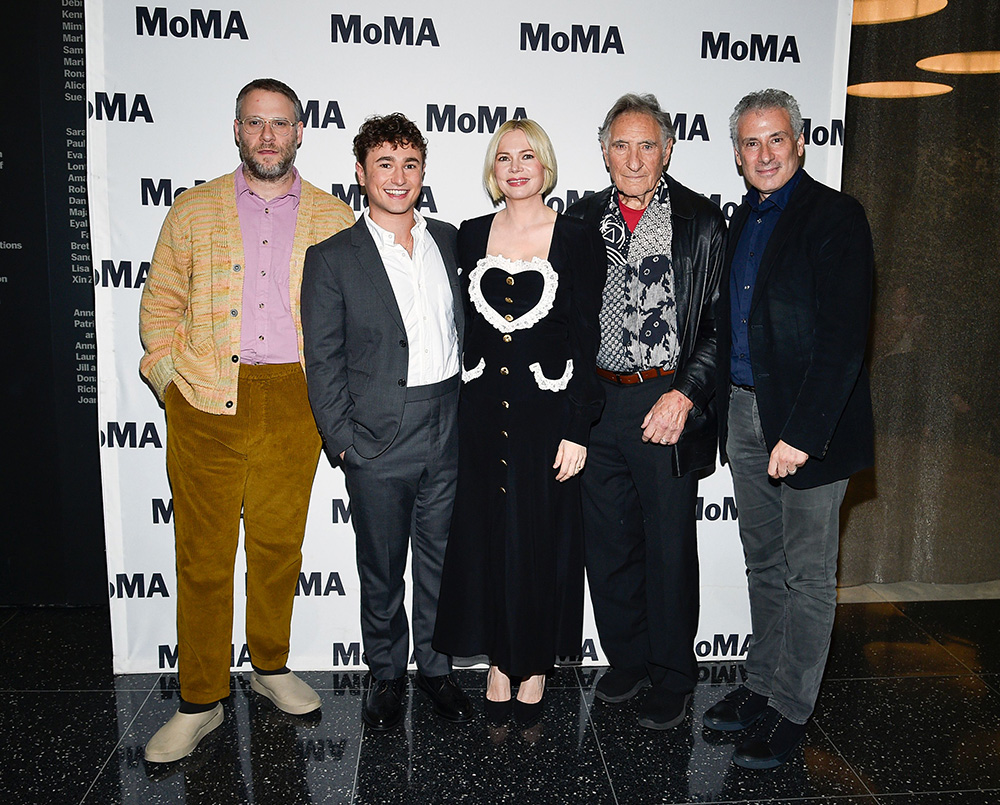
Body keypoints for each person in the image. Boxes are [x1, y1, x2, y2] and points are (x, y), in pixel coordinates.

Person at [139, 78, 354, 763]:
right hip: (204, 402)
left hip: (294, 402)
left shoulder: (334, 217)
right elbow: (158, 311)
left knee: (277, 550)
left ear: (300, 132)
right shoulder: (193, 208)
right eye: (255, 123)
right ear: (237, 130)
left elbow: (354, 323)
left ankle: (269, 665)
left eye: (281, 123)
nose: (268, 136)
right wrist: (175, 387)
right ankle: (200, 699)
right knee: (202, 558)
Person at [703, 88, 874, 769]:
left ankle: (791, 710)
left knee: (806, 573)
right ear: (738, 154)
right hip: (744, 412)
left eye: (777, 139)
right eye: (751, 142)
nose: (765, 153)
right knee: (763, 561)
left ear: (800, 143)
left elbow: (843, 339)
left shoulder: (835, 216)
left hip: (809, 421)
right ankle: (761, 685)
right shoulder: (741, 219)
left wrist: (801, 432)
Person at [301, 114, 473, 731]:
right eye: (384, 164)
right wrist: (343, 442)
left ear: (423, 172)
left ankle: (436, 668)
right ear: (360, 172)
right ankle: (384, 672)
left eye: (409, 164)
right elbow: (321, 360)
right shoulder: (331, 258)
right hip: (375, 439)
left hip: (448, 426)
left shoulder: (453, 242)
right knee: (380, 565)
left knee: (440, 559)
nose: (398, 178)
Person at [432, 120, 605, 726]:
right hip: (481, 416)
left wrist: (579, 428)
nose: (516, 166)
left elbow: (589, 338)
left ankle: (531, 666)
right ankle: (499, 665)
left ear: (546, 164)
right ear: (492, 168)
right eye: (504, 156)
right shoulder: (471, 234)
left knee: (539, 540)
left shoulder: (578, 236)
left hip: (547, 417)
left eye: (528, 155)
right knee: (489, 539)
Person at [566, 93, 725, 730]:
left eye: (647, 145)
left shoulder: (700, 221)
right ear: (604, 151)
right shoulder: (577, 221)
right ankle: (628, 660)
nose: (633, 158)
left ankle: (673, 673)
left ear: (668, 149)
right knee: (608, 546)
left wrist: (685, 394)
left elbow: (718, 328)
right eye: (621, 145)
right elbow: (567, 322)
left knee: (667, 547)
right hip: (598, 402)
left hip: (666, 399)